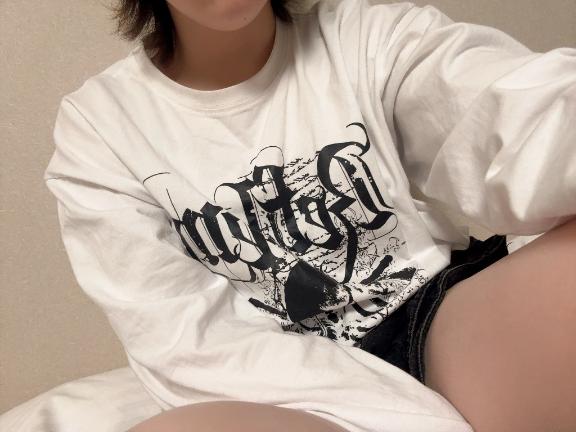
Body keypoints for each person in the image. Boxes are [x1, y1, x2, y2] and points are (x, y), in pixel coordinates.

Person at [43, 0, 576, 431]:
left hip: (438, 320)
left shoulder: (363, 36)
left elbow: (518, 112)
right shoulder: (101, 127)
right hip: (290, 393)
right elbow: (183, 342)